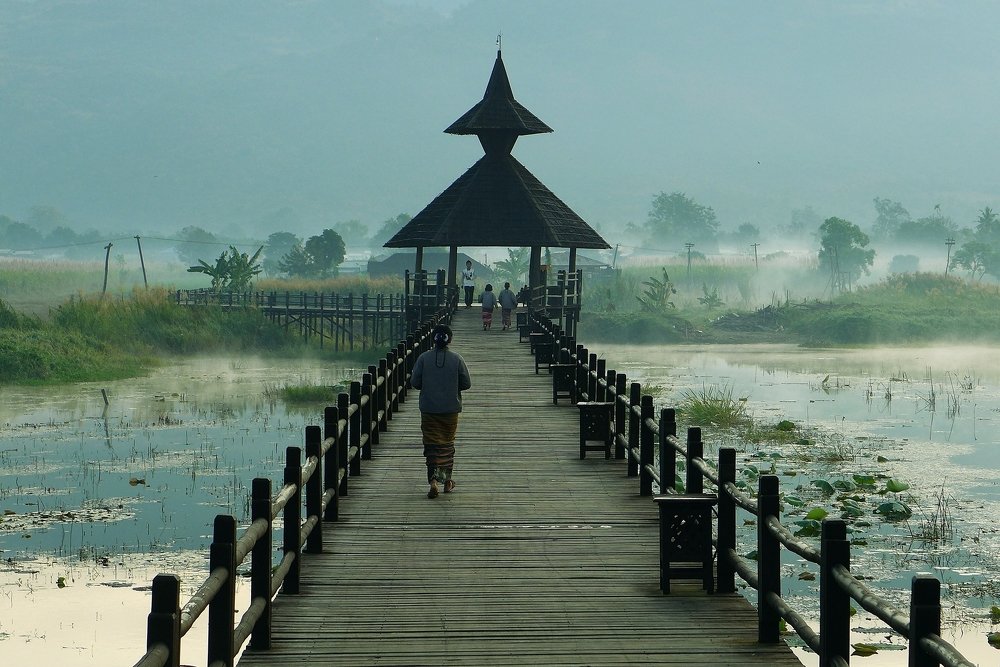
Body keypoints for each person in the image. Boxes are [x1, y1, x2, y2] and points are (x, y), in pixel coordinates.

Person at [410, 323, 471, 498]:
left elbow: (415, 382)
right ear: (449, 340)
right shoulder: (457, 359)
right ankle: (446, 481)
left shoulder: (423, 358)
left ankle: (433, 482)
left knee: (431, 445)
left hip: (429, 409)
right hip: (450, 410)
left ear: (433, 339)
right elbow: (466, 383)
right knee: (446, 445)